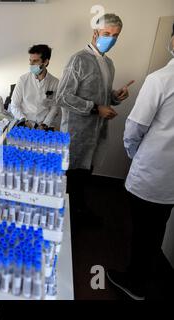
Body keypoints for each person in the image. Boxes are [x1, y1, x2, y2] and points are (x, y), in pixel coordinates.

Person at [107, 24, 174, 300]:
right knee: (157, 229)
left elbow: (134, 128)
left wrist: (134, 154)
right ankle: (148, 273)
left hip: (152, 174)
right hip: (169, 180)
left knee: (143, 230)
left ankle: (135, 283)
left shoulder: (161, 79)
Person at [56, 13, 134, 223]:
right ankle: (65, 221)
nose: (111, 39)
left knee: (84, 176)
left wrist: (115, 96)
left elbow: (101, 96)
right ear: (95, 33)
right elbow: (62, 96)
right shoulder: (79, 60)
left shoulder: (109, 64)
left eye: (116, 35)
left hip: (96, 132)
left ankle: (79, 212)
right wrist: (95, 109)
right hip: (76, 132)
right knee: (71, 179)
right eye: (107, 33)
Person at [9, 45, 60, 130]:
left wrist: (45, 124)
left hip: (44, 125)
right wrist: (23, 120)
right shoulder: (23, 79)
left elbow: (54, 108)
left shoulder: (55, 82)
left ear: (46, 62)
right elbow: (14, 105)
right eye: (30, 61)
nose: (31, 64)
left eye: (35, 61)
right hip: (24, 122)